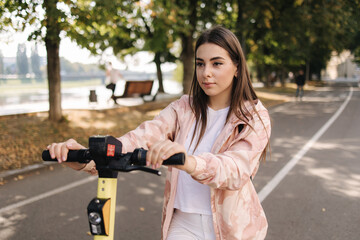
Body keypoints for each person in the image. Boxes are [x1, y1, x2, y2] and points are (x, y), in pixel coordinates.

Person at [47, 26, 271, 240]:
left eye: (217, 63)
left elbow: (236, 169)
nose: (206, 73)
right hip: (183, 224)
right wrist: (87, 157)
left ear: (237, 67)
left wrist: (189, 162)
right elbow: (140, 138)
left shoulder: (252, 116)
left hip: (233, 231)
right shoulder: (184, 108)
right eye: (200, 64)